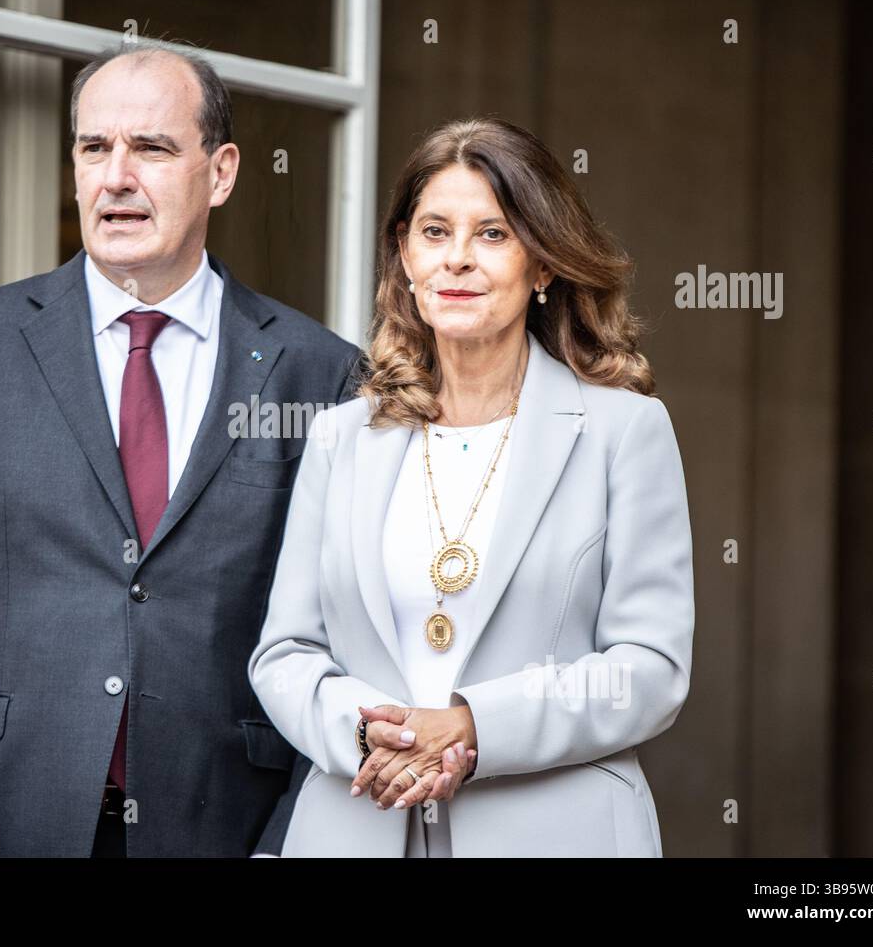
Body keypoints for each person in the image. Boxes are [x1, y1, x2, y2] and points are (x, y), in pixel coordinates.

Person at [0, 40, 362, 857]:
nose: (116, 176)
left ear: (220, 172)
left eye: (151, 148)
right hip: (1, 816)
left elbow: (345, 639)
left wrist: (291, 837)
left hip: (227, 822)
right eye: (95, 147)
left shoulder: (319, 371)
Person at [248, 117, 695, 856]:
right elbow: (285, 652)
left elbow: (650, 669)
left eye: (493, 234)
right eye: (434, 232)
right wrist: (365, 727)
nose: (457, 259)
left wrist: (474, 725)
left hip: (557, 832)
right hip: (360, 824)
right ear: (404, 254)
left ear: (543, 265)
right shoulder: (341, 438)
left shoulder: (626, 432)